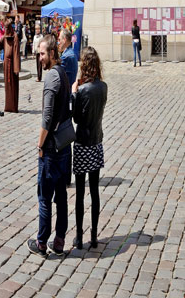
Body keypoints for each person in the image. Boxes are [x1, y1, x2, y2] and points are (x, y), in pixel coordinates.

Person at [31, 39, 73, 257]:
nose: (40, 58)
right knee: (61, 196)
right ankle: (59, 241)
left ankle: (41, 242)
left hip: (51, 148)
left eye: (42, 54)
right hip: (65, 145)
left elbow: (47, 117)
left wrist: (40, 144)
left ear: (53, 53)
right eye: (39, 55)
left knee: (45, 197)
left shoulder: (51, 78)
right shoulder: (63, 73)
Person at [71, 46, 108, 250]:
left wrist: (74, 94)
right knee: (94, 191)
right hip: (97, 141)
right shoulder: (103, 87)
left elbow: (76, 118)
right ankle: (93, 236)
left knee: (79, 192)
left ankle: (79, 236)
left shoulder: (83, 90)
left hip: (83, 143)